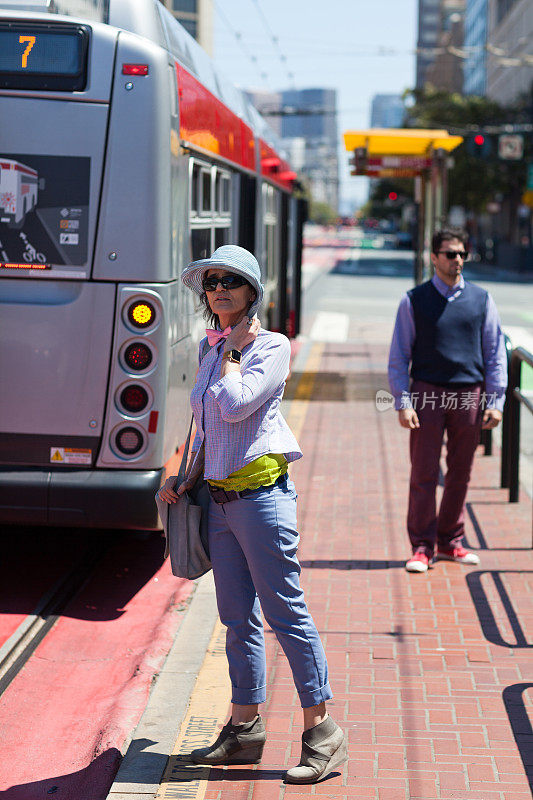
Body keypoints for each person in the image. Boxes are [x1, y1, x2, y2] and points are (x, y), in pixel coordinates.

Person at [158, 245, 347, 784]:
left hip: (262, 500)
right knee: (236, 619)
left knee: (285, 614)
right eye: (213, 280)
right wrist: (185, 476)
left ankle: (323, 733)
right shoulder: (207, 347)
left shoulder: (270, 346)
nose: (220, 288)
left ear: (251, 293)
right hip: (217, 501)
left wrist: (235, 354)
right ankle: (244, 731)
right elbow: (206, 424)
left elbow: (237, 405)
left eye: (232, 282)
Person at [388, 229, 508, 574]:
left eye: (461, 254)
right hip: (426, 393)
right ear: (434, 257)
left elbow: (495, 353)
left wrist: (495, 400)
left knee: (461, 473)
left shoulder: (482, 300)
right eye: (450, 254)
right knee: (423, 473)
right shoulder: (413, 300)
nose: (457, 260)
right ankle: (422, 547)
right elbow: (399, 355)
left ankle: (450, 541)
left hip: (469, 395)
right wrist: (403, 402)